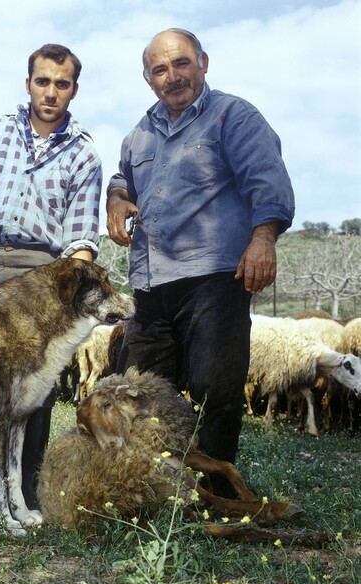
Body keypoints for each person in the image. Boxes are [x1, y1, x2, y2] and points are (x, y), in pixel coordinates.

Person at [106, 29, 295, 495]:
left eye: (182, 63)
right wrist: (116, 198)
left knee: (215, 386)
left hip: (214, 276)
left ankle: (216, 493)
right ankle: (149, 489)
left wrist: (263, 238)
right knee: (139, 389)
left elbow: (267, 180)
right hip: (150, 284)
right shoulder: (139, 134)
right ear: (148, 78)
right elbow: (121, 176)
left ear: (203, 62)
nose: (173, 77)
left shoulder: (234, 117)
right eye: (160, 69)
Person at [0, 43, 102, 509]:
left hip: (37, 272)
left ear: (74, 90)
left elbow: (81, 237)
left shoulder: (84, 154)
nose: (51, 91)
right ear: (28, 84)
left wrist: (65, 292)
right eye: (43, 81)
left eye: (62, 84)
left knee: (33, 385)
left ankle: (24, 493)